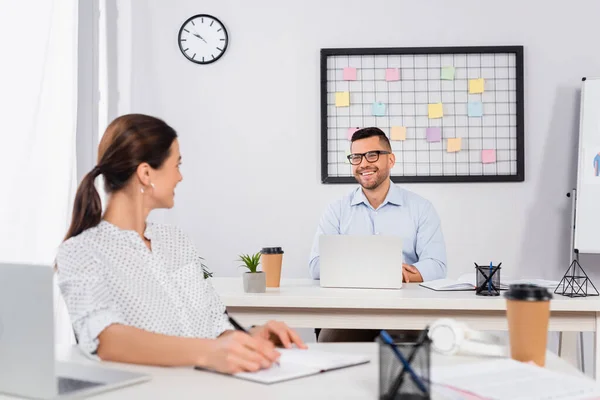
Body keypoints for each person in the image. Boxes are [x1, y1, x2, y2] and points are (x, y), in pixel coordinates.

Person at [56, 114, 306, 374]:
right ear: (145, 173)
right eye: (177, 165)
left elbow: (212, 323)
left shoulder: (176, 241)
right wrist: (210, 353)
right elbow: (107, 340)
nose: (180, 177)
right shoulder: (80, 251)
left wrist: (250, 338)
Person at [308, 127, 447, 342]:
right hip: (351, 312)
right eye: (356, 157)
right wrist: (384, 270)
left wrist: (353, 269)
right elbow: (316, 266)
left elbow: (437, 266)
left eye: (372, 155)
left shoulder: (421, 208)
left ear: (390, 160)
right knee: (329, 344)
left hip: (406, 311)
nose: (363, 163)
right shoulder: (336, 210)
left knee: (415, 354)